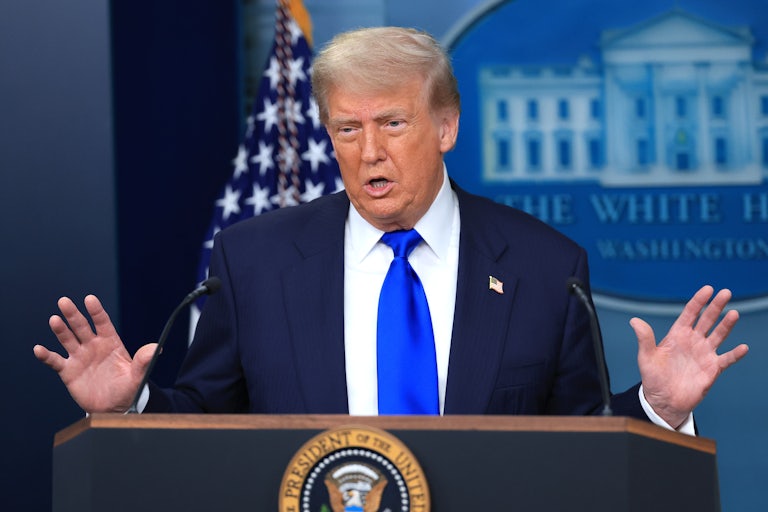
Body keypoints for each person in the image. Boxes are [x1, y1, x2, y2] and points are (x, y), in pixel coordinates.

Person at [33, 27, 748, 432]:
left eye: (392, 124)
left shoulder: (543, 265)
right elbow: (204, 422)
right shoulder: (254, 260)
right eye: (346, 128)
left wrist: (656, 407)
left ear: (445, 126)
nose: (368, 151)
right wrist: (134, 404)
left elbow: (582, 440)